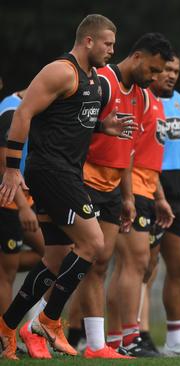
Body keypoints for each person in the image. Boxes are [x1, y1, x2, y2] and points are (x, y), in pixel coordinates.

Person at [0, 14, 136, 360]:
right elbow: (22, 115)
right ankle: (48, 319)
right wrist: (12, 171)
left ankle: (6, 327)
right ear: (88, 41)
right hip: (51, 172)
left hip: (65, 172)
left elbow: (68, 122)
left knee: (57, 258)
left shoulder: (92, 79)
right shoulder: (62, 71)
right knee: (93, 243)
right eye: (107, 43)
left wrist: (103, 128)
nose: (112, 50)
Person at [65, 32, 172, 359]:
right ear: (138, 57)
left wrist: (127, 197)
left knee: (99, 264)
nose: (155, 78)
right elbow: (74, 125)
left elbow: (127, 151)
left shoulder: (140, 96)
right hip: (83, 181)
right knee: (67, 260)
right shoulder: (104, 81)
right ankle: (44, 321)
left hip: (114, 189)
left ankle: (97, 345)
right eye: (153, 70)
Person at [106, 44, 176, 358]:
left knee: (133, 266)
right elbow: (127, 150)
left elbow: (147, 157)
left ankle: (114, 338)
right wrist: (128, 194)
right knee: (131, 264)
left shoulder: (152, 100)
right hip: (129, 189)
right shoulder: (132, 94)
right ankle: (124, 338)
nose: (162, 76)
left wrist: (159, 196)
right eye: (159, 70)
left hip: (146, 191)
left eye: (170, 71)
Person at [138, 53, 180, 358]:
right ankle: (137, 335)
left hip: (178, 198)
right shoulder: (142, 99)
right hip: (150, 193)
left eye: (176, 70)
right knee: (145, 268)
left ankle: (175, 340)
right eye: (166, 69)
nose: (171, 75)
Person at [0, 90, 50, 359]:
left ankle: (33, 325)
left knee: (52, 255)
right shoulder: (12, 111)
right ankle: (5, 339)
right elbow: (3, 161)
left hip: (22, 199)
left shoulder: (27, 107)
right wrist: (22, 206)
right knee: (6, 273)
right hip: (8, 202)